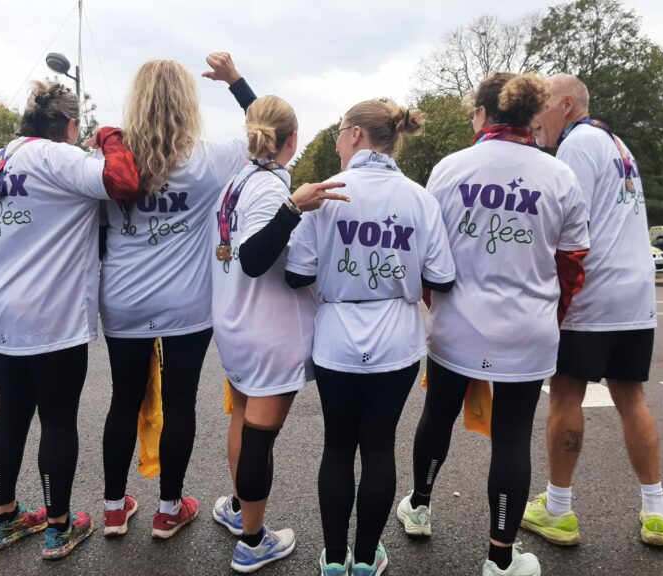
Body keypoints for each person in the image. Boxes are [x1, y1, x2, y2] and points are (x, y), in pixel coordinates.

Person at [395, 73, 590, 576]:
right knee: (511, 437)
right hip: (527, 328)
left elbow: (426, 252)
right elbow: (573, 261)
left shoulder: (450, 169)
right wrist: (555, 314)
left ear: (482, 115)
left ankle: (419, 505)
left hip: (457, 324)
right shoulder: (557, 174)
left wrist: (431, 301)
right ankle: (499, 559)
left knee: (437, 416)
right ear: (530, 116)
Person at [286, 99, 456, 576]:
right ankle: (365, 560)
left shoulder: (325, 194)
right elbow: (442, 277)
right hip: (396, 341)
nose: (338, 141)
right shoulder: (418, 198)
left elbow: (297, 274)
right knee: (379, 447)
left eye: (340, 131)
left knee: (338, 447)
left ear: (356, 134)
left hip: (338, 339)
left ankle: (334, 560)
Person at [0, 80, 139, 559]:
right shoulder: (57, 156)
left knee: (11, 413)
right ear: (70, 126)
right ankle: (59, 527)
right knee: (58, 419)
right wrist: (110, 135)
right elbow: (123, 180)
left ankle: (3, 518)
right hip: (48, 313)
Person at [99, 54, 256, 540]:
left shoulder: (112, 165)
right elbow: (270, 131)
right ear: (188, 104)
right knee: (181, 400)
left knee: (123, 400)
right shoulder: (209, 160)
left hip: (123, 301)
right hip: (187, 304)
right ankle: (169, 508)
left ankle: (111, 509)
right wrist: (236, 81)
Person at [522, 74, 663, 547]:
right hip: (635, 294)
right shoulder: (615, 143)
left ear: (567, 105)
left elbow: (568, 225)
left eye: (541, 106)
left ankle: (559, 509)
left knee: (566, 396)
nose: (534, 119)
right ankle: (656, 510)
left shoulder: (577, 147)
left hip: (593, 294)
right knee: (633, 400)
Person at [210, 95, 348, 573]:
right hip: (268, 330)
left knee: (243, 419)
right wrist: (293, 207)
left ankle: (237, 508)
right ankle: (252, 540)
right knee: (259, 441)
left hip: (237, 324)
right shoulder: (271, 189)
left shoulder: (238, 178)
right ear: (292, 140)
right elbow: (252, 259)